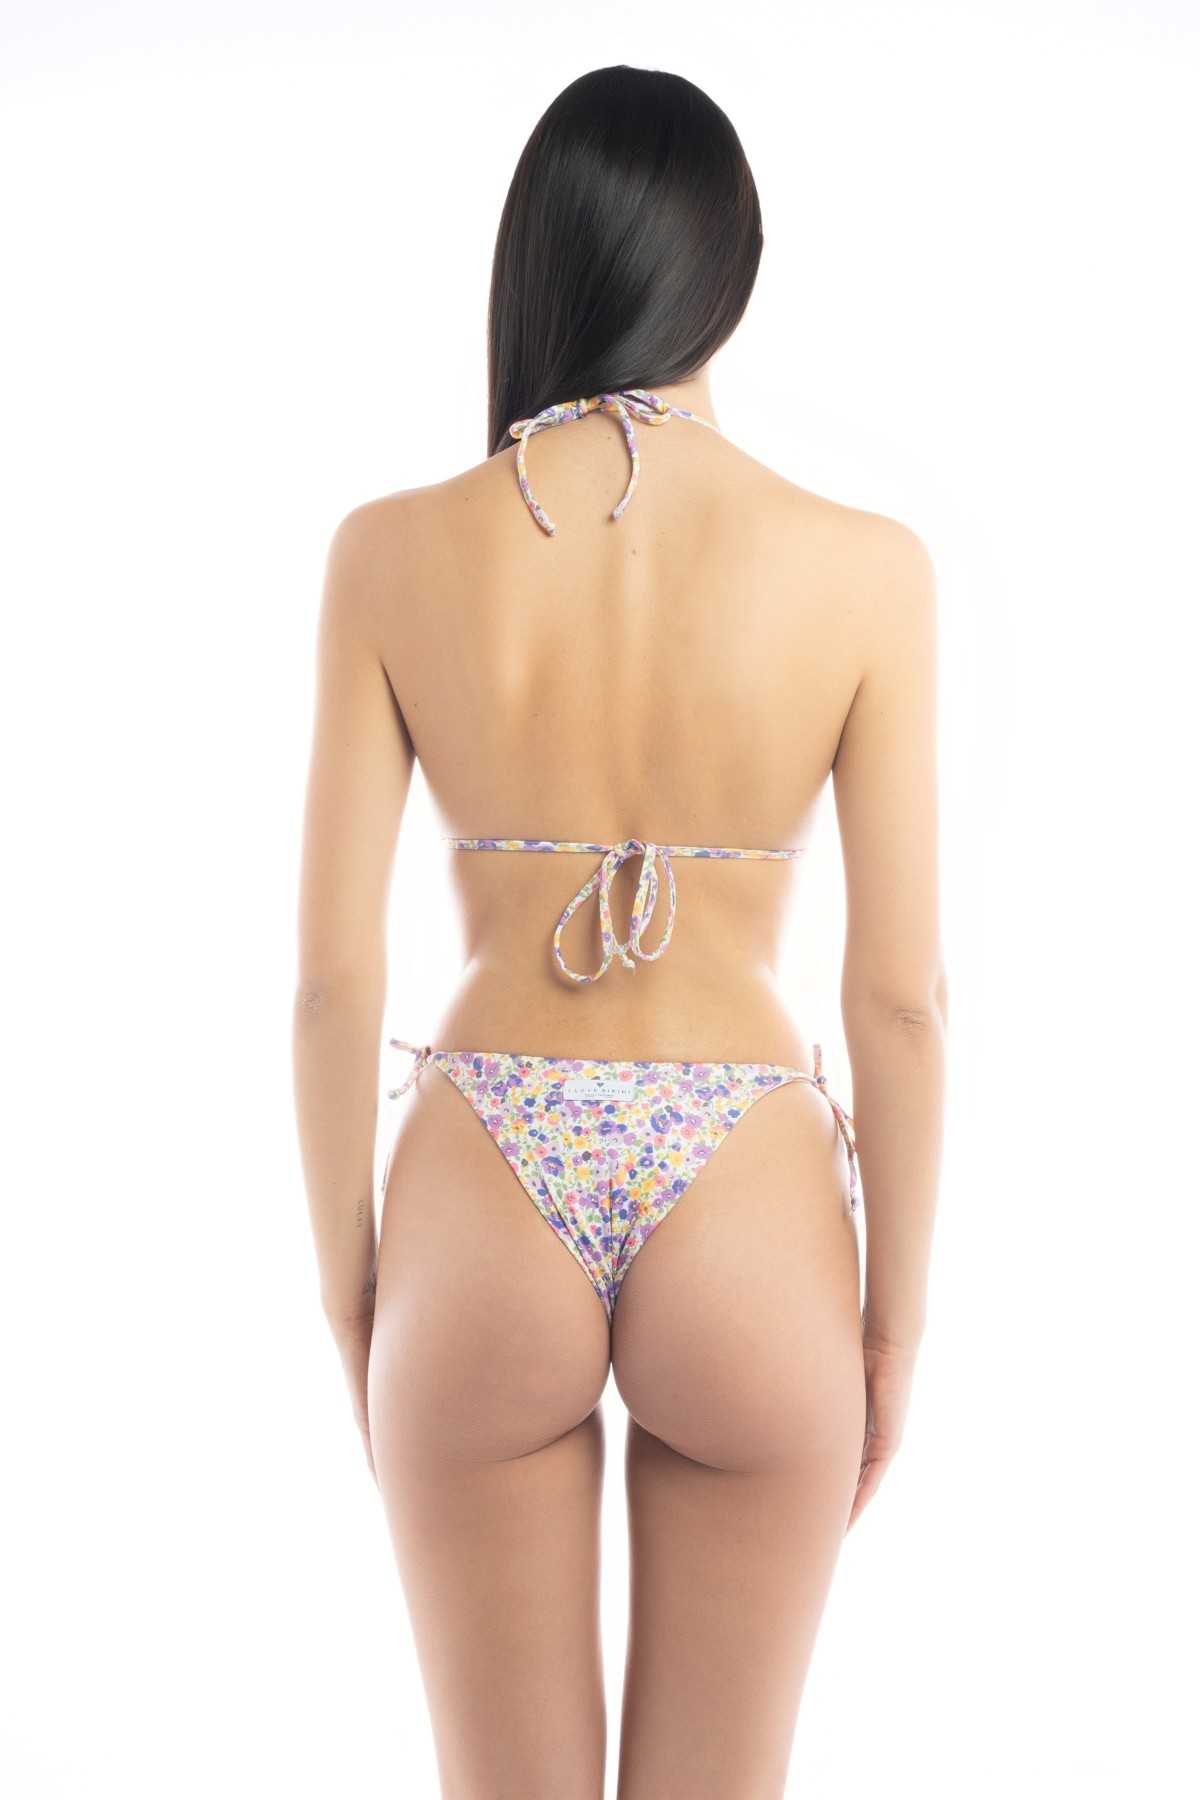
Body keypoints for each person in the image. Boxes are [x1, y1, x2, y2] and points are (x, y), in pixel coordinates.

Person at [293, 62, 947, 1800]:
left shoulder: (392, 552)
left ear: (540, 264)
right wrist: (891, 1329)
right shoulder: (866, 568)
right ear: (733, 268)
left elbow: (332, 983)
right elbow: (900, 1001)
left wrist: (357, 1297)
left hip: (485, 1170)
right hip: (747, 1183)